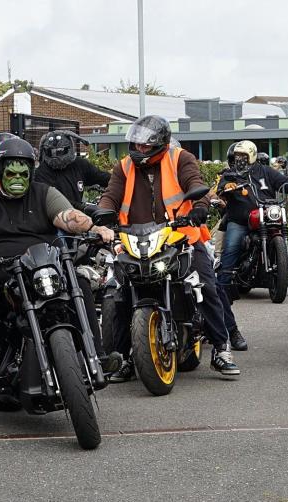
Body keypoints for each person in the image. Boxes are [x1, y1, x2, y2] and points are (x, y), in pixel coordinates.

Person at [0, 138, 120, 428]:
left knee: (81, 288)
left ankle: (97, 355)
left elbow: (68, 216)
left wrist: (95, 227)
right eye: (12, 172)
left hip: (41, 266)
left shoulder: (44, 193)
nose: (18, 178)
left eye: (23, 172)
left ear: (31, 172)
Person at [97, 115, 240, 382]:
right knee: (119, 294)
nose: (139, 150)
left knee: (207, 286)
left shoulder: (180, 158)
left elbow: (195, 184)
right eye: (136, 144)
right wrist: (102, 215)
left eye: (145, 145)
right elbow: (111, 196)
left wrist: (199, 209)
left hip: (180, 237)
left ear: (160, 144)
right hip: (135, 240)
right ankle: (124, 356)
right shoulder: (124, 167)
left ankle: (221, 349)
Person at [215, 140, 288, 305]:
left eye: (243, 156)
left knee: (283, 241)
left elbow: (281, 181)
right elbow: (221, 187)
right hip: (241, 220)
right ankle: (222, 285)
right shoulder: (230, 173)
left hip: (266, 215)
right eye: (237, 156)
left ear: (251, 155)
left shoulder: (265, 171)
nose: (239, 159)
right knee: (231, 247)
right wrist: (226, 186)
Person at [34, 129, 111, 207]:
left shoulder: (79, 165)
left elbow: (102, 177)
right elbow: (54, 201)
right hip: (53, 216)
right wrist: (84, 208)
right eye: (51, 152)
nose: (56, 156)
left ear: (69, 148)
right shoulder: (41, 173)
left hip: (80, 215)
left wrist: (119, 180)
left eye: (60, 151)